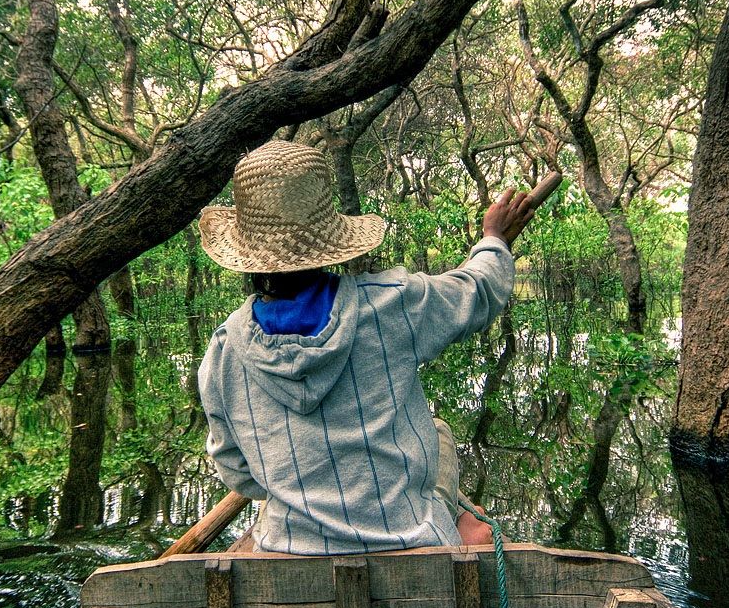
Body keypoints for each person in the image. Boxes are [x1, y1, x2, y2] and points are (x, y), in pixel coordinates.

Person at [196, 140, 536, 554]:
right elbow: (478, 290)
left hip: (285, 549)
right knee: (440, 434)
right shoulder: (393, 303)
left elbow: (239, 473)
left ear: (248, 254)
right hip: (413, 540)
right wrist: (494, 238)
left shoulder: (222, 350)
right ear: (330, 238)